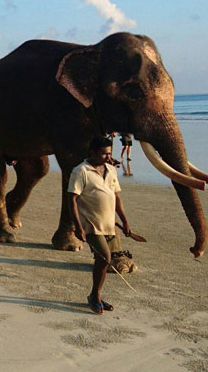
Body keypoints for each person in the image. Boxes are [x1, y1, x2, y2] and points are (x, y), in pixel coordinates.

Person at [68, 135, 133, 315]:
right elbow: (72, 199)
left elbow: (117, 197)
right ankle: (95, 296)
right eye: (104, 154)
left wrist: (125, 221)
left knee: (103, 261)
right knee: (104, 257)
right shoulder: (80, 171)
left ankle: (95, 295)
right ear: (92, 152)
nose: (107, 157)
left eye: (109, 153)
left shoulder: (111, 170)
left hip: (109, 225)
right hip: (90, 225)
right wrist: (78, 226)